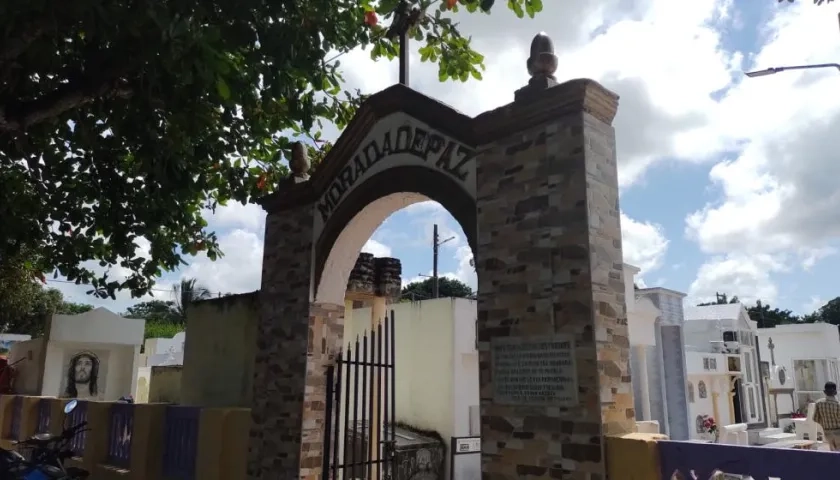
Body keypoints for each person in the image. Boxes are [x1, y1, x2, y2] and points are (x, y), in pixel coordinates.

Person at [813, 381, 840, 450]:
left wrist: (824, 424)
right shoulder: (837, 405)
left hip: (827, 432)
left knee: (833, 450)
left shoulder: (819, 403)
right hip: (838, 431)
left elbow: (815, 418)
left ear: (824, 392)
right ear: (835, 392)